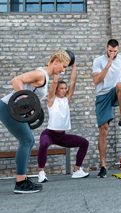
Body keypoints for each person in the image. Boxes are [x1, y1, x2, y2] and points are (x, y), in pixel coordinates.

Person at [0, 50, 70, 194]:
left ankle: (22, 180)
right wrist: (25, 103)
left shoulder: (45, 76)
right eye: (63, 66)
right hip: (7, 107)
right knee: (27, 140)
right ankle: (20, 183)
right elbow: (16, 80)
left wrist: (29, 108)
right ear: (56, 61)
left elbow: (29, 97)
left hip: (14, 109)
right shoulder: (41, 74)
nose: (63, 70)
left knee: (28, 141)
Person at [37, 59, 90, 183]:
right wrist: (58, 68)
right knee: (43, 144)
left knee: (84, 143)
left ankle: (77, 170)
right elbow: (54, 82)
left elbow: (73, 81)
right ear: (56, 90)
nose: (64, 90)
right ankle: (41, 173)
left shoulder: (66, 99)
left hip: (62, 136)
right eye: (61, 88)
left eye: (65, 88)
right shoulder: (51, 99)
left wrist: (74, 65)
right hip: (49, 134)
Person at [92, 39, 121, 178]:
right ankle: (103, 166)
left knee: (120, 85)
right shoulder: (98, 61)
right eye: (110, 51)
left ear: (118, 49)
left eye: (115, 51)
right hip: (102, 95)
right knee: (103, 131)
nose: (112, 53)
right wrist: (108, 65)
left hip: (115, 92)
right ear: (106, 48)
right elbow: (96, 81)